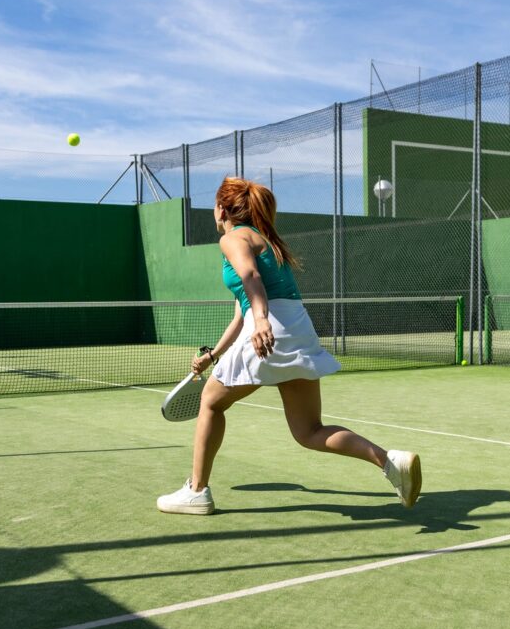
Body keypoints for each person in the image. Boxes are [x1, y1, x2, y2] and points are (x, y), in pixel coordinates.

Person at [157, 177, 420, 516]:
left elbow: (251, 280)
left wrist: (263, 320)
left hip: (268, 328)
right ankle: (390, 462)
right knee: (309, 430)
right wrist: (212, 356)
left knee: (210, 402)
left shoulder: (233, 238)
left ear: (221, 208)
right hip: (297, 328)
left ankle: (196, 490)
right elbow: (241, 314)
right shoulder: (266, 241)